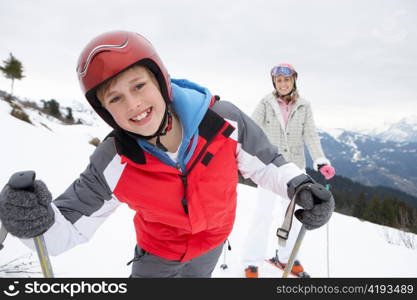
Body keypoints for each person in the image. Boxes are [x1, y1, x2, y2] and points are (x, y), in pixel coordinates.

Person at [0, 32, 335, 278]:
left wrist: (300, 187)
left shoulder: (221, 120)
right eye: (114, 99)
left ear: (160, 82)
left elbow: (266, 163)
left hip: (212, 246)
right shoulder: (115, 160)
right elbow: (63, 234)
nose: (132, 105)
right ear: (104, 112)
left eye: (138, 86)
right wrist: (33, 220)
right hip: (156, 256)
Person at [243, 63, 335, 278]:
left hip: (294, 168)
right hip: (270, 166)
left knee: (293, 215)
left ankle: (285, 257)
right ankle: (252, 262)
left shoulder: (304, 105)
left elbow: (310, 135)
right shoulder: (266, 103)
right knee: (262, 214)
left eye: (287, 79)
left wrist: (321, 161)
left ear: (294, 80)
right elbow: (252, 127)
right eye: (279, 80)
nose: (283, 84)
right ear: (274, 82)